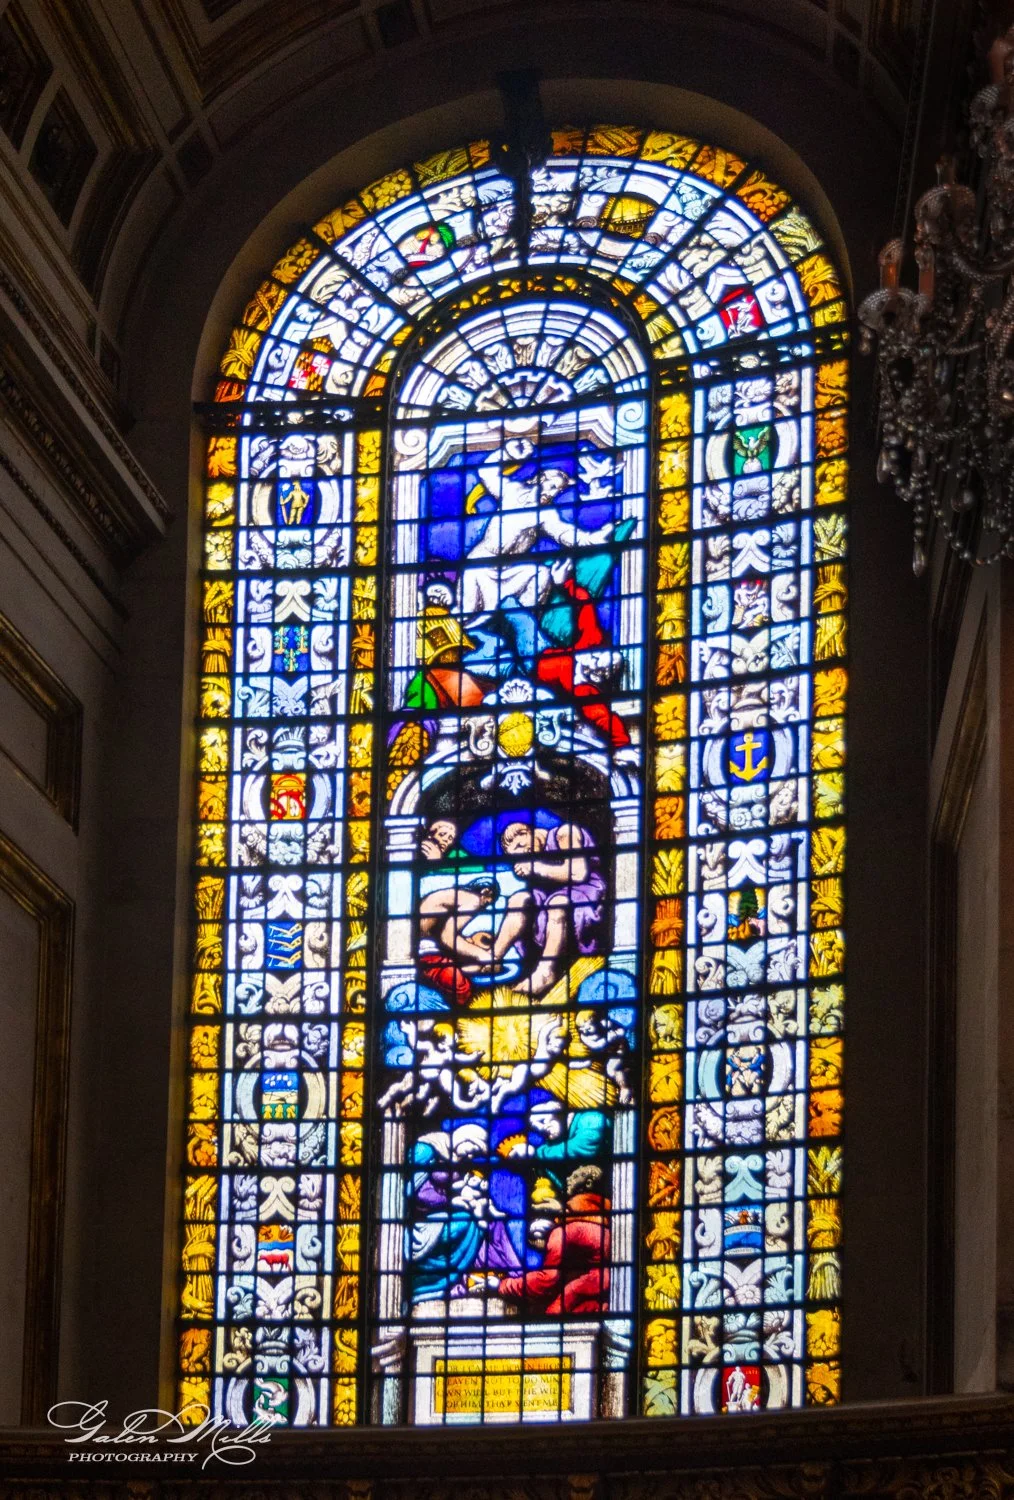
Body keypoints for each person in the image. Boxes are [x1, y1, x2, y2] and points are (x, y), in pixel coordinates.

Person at [491, 821, 606, 993]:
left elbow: (578, 873)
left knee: (557, 903)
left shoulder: (565, 833)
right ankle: (493, 958)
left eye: (522, 845)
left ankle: (546, 972)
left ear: (527, 832)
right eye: (518, 854)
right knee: (518, 899)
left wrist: (535, 868)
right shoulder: (535, 858)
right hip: (550, 894)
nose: (524, 852)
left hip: (586, 890)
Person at [495, 1165, 611, 1314]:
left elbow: (546, 1281)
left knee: (552, 1314)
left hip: (583, 1287)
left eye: (575, 1177)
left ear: (588, 1184)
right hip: (606, 1286)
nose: (569, 1179)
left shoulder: (565, 1230)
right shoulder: (604, 1220)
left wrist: (503, 1285)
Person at [418, 874, 499, 1003]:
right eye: (489, 900)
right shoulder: (474, 900)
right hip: (423, 949)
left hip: (424, 945)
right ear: (486, 891)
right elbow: (447, 937)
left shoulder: (458, 896)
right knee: (461, 988)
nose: (487, 905)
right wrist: (483, 956)